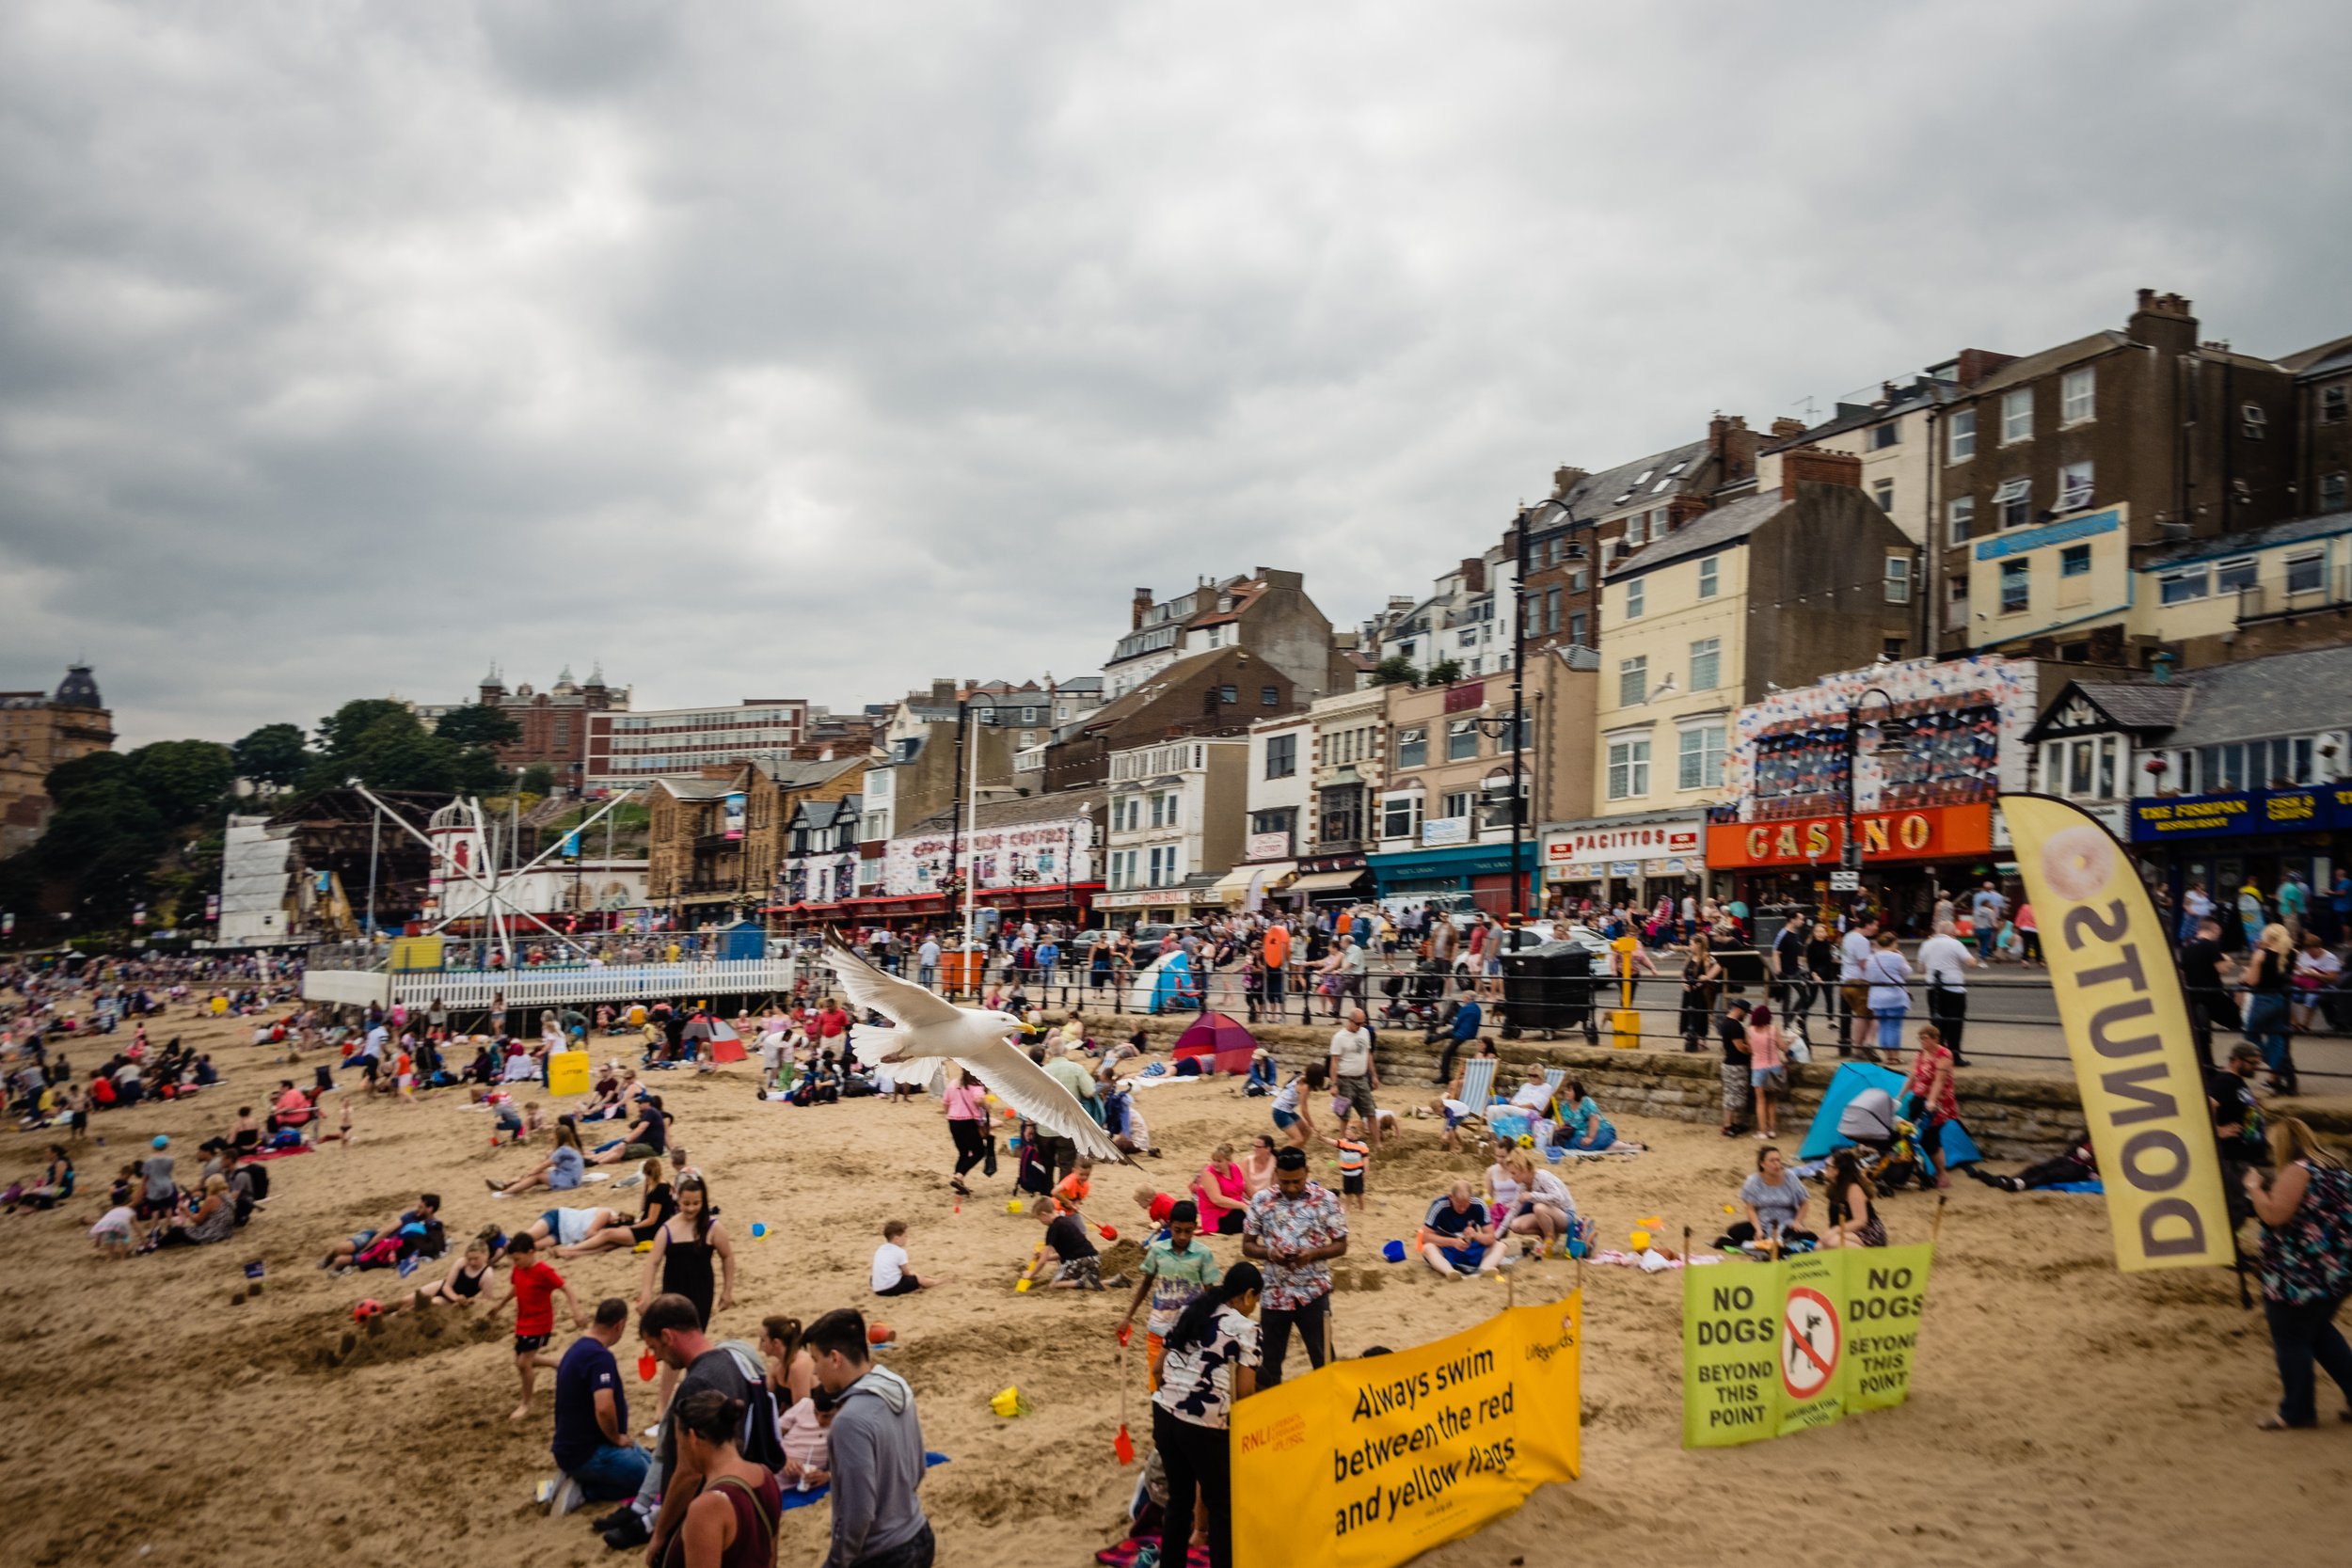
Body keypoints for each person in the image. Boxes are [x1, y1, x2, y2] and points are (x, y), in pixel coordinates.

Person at [1152, 1261, 1263, 1568]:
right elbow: (1245, 1392)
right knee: (1222, 1509)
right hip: (1203, 1424)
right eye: (1256, 1300)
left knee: (1179, 1502)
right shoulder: (1246, 1328)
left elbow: (1158, 1368)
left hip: (1164, 1412)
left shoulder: (1193, 1311)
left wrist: (1176, 1400)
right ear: (1249, 1295)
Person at [2244, 1117, 2352, 1430]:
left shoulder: (2297, 1171)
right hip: (2336, 1270)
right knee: (2318, 1333)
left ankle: (2297, 1411)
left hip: (2301, 1274)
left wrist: (2254, 1189)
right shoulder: (2334, 1168)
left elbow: (2276, 1215)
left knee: (2291, 1338)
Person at [806, 1306, 933, 1568]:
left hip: (883, 1553)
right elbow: (918, 1468)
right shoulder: (898, 1387)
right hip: (919, 1532)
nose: (815, 1372)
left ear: (835, 1358)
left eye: (816, 1359)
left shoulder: (849, 1421)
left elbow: (857, 1513)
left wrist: (837, 1561)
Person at [1241, 1146, 1347, 1385]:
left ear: (1307, 1172)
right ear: (1276, 1174)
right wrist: (1270, 1253)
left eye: (1297, 1182)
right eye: (1285, 1181)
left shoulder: (1326, 1200)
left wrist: (1314, 1254)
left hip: (1314, 1292)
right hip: (1274, 1293)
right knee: (1269, 1364)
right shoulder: (1261, 1200)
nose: (1290, 1188)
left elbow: (1341, 1245)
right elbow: (1247, 1245)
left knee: (1324, 1359)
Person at [662, 1386, 784, 1567]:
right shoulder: (765, 1476)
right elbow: (770, 1558)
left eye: (679, 1442)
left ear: (693, 1438)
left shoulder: (706, 1507)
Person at [552, 1297, 648, 1504]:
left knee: (652, 1464)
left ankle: (582, 1478)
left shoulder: (578, 1348)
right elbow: (604, 1407)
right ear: (619, 1325)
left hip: (578, 1447)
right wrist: (616, 1438)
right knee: (647, 1480)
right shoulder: (599, 1357)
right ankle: (586, 1491)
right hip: (589, 1451)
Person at [1120, 1198, 1218, 1390]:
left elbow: (1210, 1292)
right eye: (1177, 1230)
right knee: (1157, 1383)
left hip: (1191, 1331)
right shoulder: (1157, 1251)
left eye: (1188, 1231)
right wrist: (1128, 1316)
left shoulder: (1203, 1254)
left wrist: (1213, 1322)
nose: (1182, 1236)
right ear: (1169, 1227)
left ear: (1195, 1228)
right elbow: (1146, 1284)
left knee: (1187, 1384)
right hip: (1159, 1328)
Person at [486, 1232, 586, 1421]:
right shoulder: (518, 1269)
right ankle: (556, 1363)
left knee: (523, 1364)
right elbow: (516, 1287)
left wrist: (576, 1311)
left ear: (531, 1252)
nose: (515, 1263)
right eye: (513, 1260)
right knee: (520, 1360)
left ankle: (526, 1403)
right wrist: (500, 1305)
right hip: (523, 1321)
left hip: (540, 1323)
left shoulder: (543, 1271)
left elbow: (566, 1288)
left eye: (518, 1259)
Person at [2242, 923, 2298, 1095]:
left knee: (2250, 1035)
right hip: (2280, 1000)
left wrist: (2250, 967)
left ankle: (2276, 1065)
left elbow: (2252, 981)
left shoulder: (2261, 954)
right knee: (2276, 1039)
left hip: (2262, 1000)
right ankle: (2276, 1073)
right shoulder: (2292, 954)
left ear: (2268, 937)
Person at [1902, 1023, 1961, 1188]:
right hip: (1919, 1098)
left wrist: (1932, 1101)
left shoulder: (1944, 1054)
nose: (1922, 1042)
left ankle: (1942, 1174)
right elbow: (1913, 1076)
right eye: (1920, 1038)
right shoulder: (1920, 1055)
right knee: (1912, 1135)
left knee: (1931, 1139)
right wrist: (1900, 1096)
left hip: (1939, 1102)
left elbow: (1939, 1081)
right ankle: (1922, 1171)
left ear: (1935, 1038)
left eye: (1925, 1038)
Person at [1723, 1145, 1813, 1249]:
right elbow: (1750, 1209)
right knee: (1734, 1231)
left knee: (1807, 1237)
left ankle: (1776, 1242)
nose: (1776, 1164)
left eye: (1778, 1160)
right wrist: (1758, 1229)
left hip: (1787, 1224)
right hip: (1763, 1224)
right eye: (1772, 1161)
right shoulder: (1753, 1181)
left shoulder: (1790, 1177)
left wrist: (1797, 1221)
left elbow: (1804, 1203)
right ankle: (1769, 1241)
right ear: (1762, 1164)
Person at [2179, 917, 2238, 1070]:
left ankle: (2206, 1067)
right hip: (2213, 995)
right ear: (2214, 929)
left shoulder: (2187, 947)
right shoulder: (2211, 946)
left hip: (2194, 995)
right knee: (2239, 1020)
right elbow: (2222, 969)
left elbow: (2182, 972)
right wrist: (2228, 960)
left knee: (2202, 1036)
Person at [1917, 918, 1978, 1067]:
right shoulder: (1955, 943)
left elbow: (1920, 969)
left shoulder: (1926, 944)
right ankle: (1954, 1055)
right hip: (1953, 987)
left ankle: (1937, 1055)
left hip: (1933, 988)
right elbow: (1971, 963)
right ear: (1952, 932)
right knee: (1955, 1023)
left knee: (1937, 1023)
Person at [1421, 1180, 1502, 1278]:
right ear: (1451, 1197)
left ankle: (1482, 1270)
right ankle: (1450, 1272)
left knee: (1500, 1246)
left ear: (1471, 1198)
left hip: (1471, 1247)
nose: (1462, 1209)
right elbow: (1424, 1237)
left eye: (1466, 1205)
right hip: (1447, 1249)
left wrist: (1475, 1235)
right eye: (1459, 1204)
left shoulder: (1479, 1205)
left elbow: (1491, 1238)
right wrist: (1453, 1242)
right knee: (1428, 1248)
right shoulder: (1439, 1205)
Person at [1325, 1009, 1381, 1150]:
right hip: (1345, 1080)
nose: (1360, 1026)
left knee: (1371, 1111)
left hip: (1361, 1078)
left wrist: (1373, 1075)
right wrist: (1334, 1084)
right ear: (1349, 1021)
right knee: (1344, 1115)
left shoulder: (1365, 1032)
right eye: (1358, 1023)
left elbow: (1368, 1055)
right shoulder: (1339, 1037)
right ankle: (1344, 1145)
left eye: (1363, 1023)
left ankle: (1377, 1143)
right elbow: (1334, 1062)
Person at [487, 1117, 587, 1197]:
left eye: (553, 1133)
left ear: (557, 1137)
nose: (550, 1134)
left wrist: (529, 1173)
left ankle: (505, 1193)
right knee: (537, 1175)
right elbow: (548, 1162)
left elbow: (543, 1165)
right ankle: (508, 1185)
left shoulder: (563, 1150)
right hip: (573, 1179)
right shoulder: (569, 1147)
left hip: (569, 1182)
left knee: (536, 1175)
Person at [1025, 1196, 1103, 1290]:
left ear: (1043, 1215)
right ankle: (1113, 1282)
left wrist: (1030, 1274)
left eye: (1039, 1219)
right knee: (1087, 1281)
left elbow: (1042, 1261)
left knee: (1054, 1284)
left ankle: (1083, 1282)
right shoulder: (1066, 1220)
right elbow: (1069, 1251)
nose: (1041, 1222)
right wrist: (1049, 1257)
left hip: (1078, 1262)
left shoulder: (1053, 1228)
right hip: (1094, 1260)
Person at [1819, 1148, 1885, 1247]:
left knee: (1832, 1241)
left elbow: (1861, 1221)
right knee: (1819, 1247)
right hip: (1848, 1231)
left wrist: (1836, 1230)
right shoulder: (1834, 1187)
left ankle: (1871, 1261)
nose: (1825, 1168)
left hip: (1868, 1232)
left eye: (1828, 1166)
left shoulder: (1853, 1188)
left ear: (1838, 1171)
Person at [942, 1069, 994, 1196]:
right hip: (968, 1121)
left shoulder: (953, 1083)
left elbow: (944, 1102)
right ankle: (959, 1176)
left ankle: (959, 1183)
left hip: (953, 1121)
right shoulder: (975, 1084)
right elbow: (978, 1100)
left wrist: (948, 1113)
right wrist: (987, 1105)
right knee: (979, 1152)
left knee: (963, 1153)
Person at [1865, 929, 1912, 1063]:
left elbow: (1868, 976)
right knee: (1894, 1027)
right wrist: (1903, 958)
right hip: (1895, 996)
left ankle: (1887, 1056)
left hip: (1876, 997)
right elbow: (1907, 972)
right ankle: (1894, 1056)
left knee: (1883, 1026)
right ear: (1893, 943)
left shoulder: (1871, 958)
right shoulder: (1897, 957)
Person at [1745, 1003, 1788, 1141]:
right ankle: (1772, 1130)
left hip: (1758, 1067)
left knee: (1760, 1101)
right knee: (1772, 1101)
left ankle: (1762, 1131)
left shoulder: (1750, 1030)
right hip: (1774, 1067)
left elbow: (1751, 1049)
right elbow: (1783, 1047)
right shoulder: (1773, 1030)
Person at [1838, 913, 1878, 1055]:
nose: (1876, 928)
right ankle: (1859, 1049)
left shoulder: (1848, 936)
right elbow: (1864, 964)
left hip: (1845, 981)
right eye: (1875, 925)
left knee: (1862, 1015)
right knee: (1864, 1015)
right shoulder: (1862, 941)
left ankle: (1859, 1047)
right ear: (1867, 925)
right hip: (1858, 982)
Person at [1678, 934, 1724, 1053]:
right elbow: (1683, 973)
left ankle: (1702, 1040)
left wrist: (1700, 983)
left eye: (1691, 944)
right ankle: (1689, 1037)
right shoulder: (1690, 957)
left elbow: (1707, 976)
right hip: (1688, 992)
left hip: (1700, 992)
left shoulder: (1706, 958)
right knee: (1687, 1014)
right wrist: (1684, 983)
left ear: (1698, 945)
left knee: (1700, 1015)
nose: (1689, 946)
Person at [1192, 1144, 1249, 1236]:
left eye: (1219, 1161)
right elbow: (1217, 1199)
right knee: (1250, 1220)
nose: (1215, 1164)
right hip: (1217, 1216)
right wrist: (1243, 1205)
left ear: (1228, 1161)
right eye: (1213, 1160)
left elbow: (1251, 1191)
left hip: (1236, 1208)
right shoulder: (1208, 1173)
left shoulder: (1237, 1168)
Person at [2292, 929, 2342, 1035]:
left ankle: (2305, 1025)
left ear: (2319, 947)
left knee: (2311, 997)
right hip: (2304, 983)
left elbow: (2333, 978)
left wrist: (2314, 974)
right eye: (2308, 950)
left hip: (2323, 985)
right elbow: (2297, 968)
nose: (2310, 953)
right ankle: (2294, 1023)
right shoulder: (2304, 955)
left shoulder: (2330, 958)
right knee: (2286, 994)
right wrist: (2300, 971)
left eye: (2312, 950)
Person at [873, 1219, 941, 1295]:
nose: (907, 1238)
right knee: (917, 1279)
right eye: (905, 1236)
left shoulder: (880, 1249)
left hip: (877, 1289)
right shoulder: (900, 1251)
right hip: (891, 1288)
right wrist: (916, 1276)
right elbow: (906, 1273)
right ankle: (938, 1282)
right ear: (897, 1239)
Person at [1716, 996, 1753, 1136]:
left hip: (1730, 1063)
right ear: (1739, 1010)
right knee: (1733, 1095)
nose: (1746, 1015)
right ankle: (1727, 1125)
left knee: (1732, 1094)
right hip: (1735, 1064)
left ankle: (1730, 1124)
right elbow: (1740, 1047)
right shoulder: (1735, 1025)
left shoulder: (1727, 1023)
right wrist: (1751, 1050)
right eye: (1745, 1012)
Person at [1268, 1062, 1323, 1149]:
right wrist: (1313, 1126)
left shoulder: (1302, 1078)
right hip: (1280, 1111)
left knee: (1307, 1132)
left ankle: (1296, 1154)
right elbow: (1304, 1110)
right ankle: (1279, 1156)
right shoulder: (1304, 1086)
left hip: (1286, 1110)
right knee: (1298, 1139)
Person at [1970, 880, 2005, 961]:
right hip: (1991, 916)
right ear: (1992, 888)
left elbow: (1974, 907)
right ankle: (1988, 949)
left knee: (1978, 934)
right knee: (1990, 935)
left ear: (1983, 887)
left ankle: (1980, 949)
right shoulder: (1997, 896)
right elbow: (1999, 908)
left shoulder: (1977, 896)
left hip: (1978, 915)